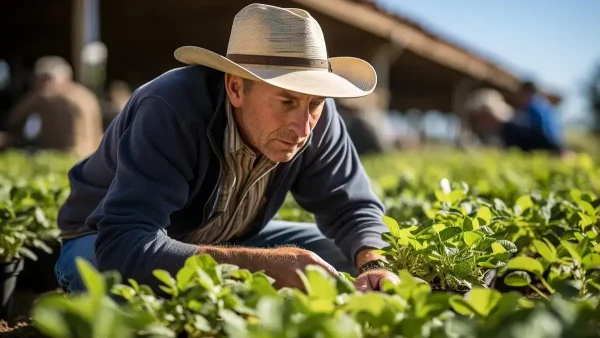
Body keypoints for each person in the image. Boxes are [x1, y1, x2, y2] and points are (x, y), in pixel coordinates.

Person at [54, 3, 398, 295]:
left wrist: (374, 263)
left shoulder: (317, 118)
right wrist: (255, 263)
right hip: (103, 237)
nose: (303, 126)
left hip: (227, 236)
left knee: (338, 255)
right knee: (113, 287)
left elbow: (353, 207)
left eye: (314, 104)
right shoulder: (171, 108)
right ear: (236, 87)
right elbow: (124, 246)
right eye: (286, 100)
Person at [1, 56, 103, 158]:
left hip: (68, 158)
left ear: (63, 78)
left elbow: (14, 119)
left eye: (47, 79)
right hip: (86, 158)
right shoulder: (86, 96)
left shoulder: (57, 98)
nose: (42, 84)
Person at [465, 88, 567, 154]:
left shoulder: (515, 126)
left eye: (481, 118)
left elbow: (543, 140)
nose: (481, 123)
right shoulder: (502, 130)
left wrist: (560, 151)